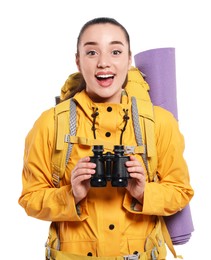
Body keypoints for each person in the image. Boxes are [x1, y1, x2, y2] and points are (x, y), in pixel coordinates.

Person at [18, 17, 194, 260]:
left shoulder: (158, 122)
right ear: (78, 61)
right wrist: (71, 195)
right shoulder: (51, 123)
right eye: (91, 52)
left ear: (128, 59)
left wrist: (145, 193)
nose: (103, 62)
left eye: (115, 51)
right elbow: (30, 198)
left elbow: (181, 191)